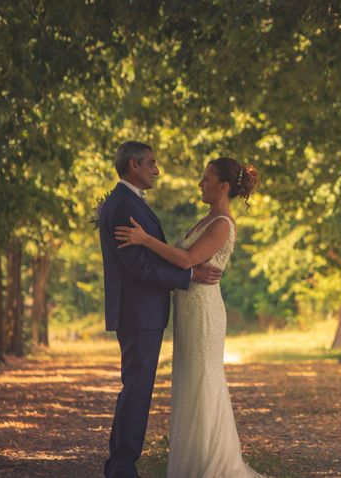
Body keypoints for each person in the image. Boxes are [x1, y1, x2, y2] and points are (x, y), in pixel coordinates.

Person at [115, 157, 263, 478]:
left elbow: (185, 260)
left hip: (204, 312)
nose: (200, 183)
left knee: (203, 382)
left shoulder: (222, 223)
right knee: (188, 382)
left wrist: (145, 240)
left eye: (206, 178)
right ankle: (191, 462)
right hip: (188, 310)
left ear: (223, 187)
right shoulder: (205, 220)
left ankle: (210, 464)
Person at [98, 141, 222, 478]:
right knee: (137, 388)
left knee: (137, 387)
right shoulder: (124, 204)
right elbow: (138, 265)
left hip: (141, 312)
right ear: (134, 165)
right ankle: (122, 466)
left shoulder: (127, 201)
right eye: (152, 163)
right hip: (138, 313)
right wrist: (189, 274)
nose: (157, 169)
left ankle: (121, 463)